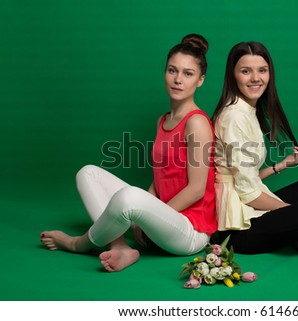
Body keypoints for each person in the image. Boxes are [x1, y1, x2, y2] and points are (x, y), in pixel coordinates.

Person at [40, 34, 217, 272]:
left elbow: (196, 189)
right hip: (164, 218)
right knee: (88, 173)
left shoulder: (196, 122)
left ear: (200, 80)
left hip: (189, 231)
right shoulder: (163, 120)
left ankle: (78, 243)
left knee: (130, 197)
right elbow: (162, 176)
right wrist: (145, 213)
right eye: (172, 71)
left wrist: (144, 214)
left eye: (188, 74)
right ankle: (121, 247)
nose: (177, 80)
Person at [212, 41, 298, 260]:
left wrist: (282, 165)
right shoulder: (234, 116)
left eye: (262, 70)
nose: (256, 78)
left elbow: (245, 178)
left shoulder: (247, 109)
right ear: (233, 75)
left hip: (250, 204)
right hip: (239, 229)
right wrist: (292, 212)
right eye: (246, 71)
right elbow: (247, 193)